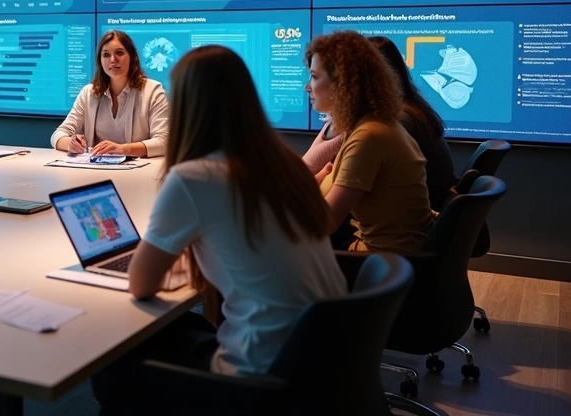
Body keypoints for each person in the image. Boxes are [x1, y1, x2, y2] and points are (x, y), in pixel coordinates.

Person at [91, 45, 347, 414]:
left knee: (115, 356)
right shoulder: (286, 163)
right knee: (179, 326)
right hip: (323, 364)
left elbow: (140, 283)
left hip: (261, 378)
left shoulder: (195, 177)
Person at [304, 30, 436, 253]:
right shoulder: (373, 125)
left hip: (386, 263)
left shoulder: (369, 136)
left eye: (315, 76)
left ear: (342, 84)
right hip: (397, 255)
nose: (308, 86)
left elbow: (325, 222)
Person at [368, 36, 459, 210]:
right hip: (433, 204)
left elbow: (367, 175)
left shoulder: (400, 118)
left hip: (423, 210)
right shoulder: (410, 106)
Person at [51, 30, 168, 157]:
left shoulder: (153, 91)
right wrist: (71, 144)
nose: (113, 60)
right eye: (106, 55)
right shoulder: (88, 93)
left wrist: (122, 149)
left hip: (138, 172)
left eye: (119, 53)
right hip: (94, 171)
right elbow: (58, 135)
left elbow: (164, 142)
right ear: (100, 61)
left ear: (132, 57)